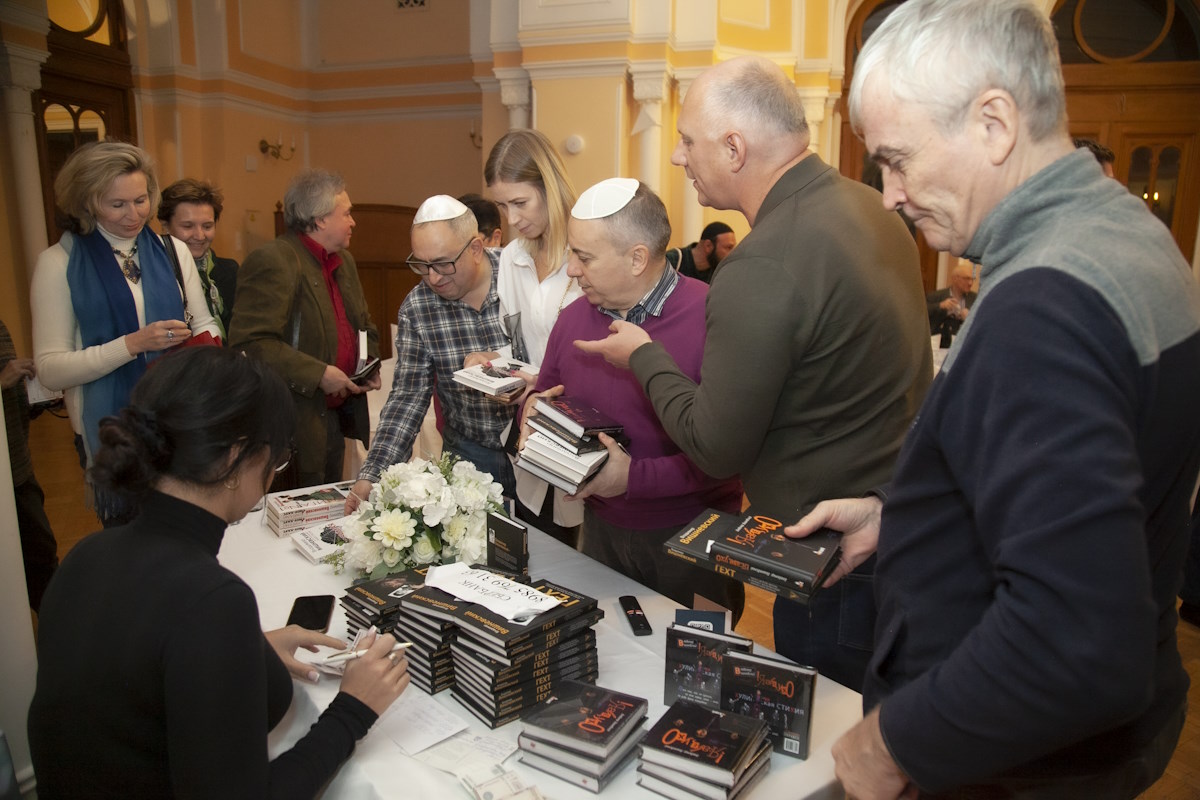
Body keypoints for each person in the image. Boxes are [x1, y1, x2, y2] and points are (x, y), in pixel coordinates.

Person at [789, 1, 1200, 796]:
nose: (889, 195)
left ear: (994, 123)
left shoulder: (1042, 306)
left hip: (1009, 768)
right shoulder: (1124, 232)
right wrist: (899, 515)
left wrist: (892, 744)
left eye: (899, 159)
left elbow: (1076, 638)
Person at [576, 56, 931, 689]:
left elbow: (716, 449)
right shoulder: (872, 207)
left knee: (836, 748)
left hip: (828, 552)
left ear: (734, 148)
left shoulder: (761, 262)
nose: (679, 159)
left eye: (687, 142)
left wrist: (644, 355)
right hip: (894, 514)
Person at [27, 346, 409, 798]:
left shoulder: (89, 553)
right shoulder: (211, 600)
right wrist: (353, 709)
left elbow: (140, 677)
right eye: (277, 457)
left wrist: (247, 651)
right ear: (234, 461)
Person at [522, 178, 745, 618]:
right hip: (601, 530)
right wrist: (532, 407)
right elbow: (546, 391)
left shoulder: (715, 315)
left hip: (694, 535)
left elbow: (732, 453)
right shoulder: (571, 319)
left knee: (691, 675)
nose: (570, 270)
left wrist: (633, 478)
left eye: (583, 257)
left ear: (637, 257)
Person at [31, 141, 222, 526]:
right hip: (112, 434)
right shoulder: (58, 264)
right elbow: (50, 370)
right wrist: (132, 345)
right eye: (116, 204)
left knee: (186, 539)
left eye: (140, 200)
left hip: (179, 425)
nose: (133, 215)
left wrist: (208, 347)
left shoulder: (173, 251)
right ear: (86, 202)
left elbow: (205, 324)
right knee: (135, 549)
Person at [347, 195, 516, 509]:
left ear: (476, 249)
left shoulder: (521, 276)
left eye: (442, 263)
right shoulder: (418, 307)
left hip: (533, 451)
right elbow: (407, 398)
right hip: (470, 453)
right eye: (421, 265)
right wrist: (372, 474)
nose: (433, 277)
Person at [228, 169, 380, 491]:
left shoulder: (345, 261)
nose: (353, 221)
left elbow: (363, 323)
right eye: (347, 213)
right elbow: (251, 342)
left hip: (335, 419)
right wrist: (319, 374)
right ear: (320, 219)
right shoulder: (273, 260)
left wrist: (368, 363)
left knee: (327, 514)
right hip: (294, 424)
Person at [484, 129, 586, 544]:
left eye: (520, 203)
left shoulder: (588, 251)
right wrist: (498, 370)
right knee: (540, 549)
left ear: (550, 186)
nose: (511, 219)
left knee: (588, 557)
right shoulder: (512, 256)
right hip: (533, 430)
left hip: (586, 430)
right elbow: (515, 345)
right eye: (502, 206)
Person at [0, 319, 58, 612]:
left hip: (17, 465)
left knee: (42, 555)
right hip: (6, 475)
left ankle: (57, 634)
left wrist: (35, 396)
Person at [158, 178, 239, 338]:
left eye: (207, 226)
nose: (199, 235)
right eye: (188, 226)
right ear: (165, 226)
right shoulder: (157, 274)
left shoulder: (229, 270)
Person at [667, 221, 736, 284]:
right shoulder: (672, 261)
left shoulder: (718, 271)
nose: (733, 253)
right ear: (708, 246)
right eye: (728, 248)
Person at [925, 259, 976, 340]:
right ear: (955, 278)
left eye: (972, 279)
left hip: (964, 343)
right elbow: (921, 312)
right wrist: (940, 305)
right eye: (967, 278)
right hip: (940, 344)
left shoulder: (976, 298)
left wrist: (970, 317)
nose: (970, 283)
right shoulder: (935, 296)